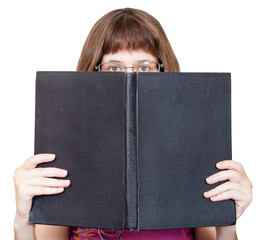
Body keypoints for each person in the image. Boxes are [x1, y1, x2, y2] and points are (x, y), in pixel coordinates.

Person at [14, 8, 253, 240]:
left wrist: (227, 224)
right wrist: (23, 218)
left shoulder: (191, 147)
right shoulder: (67, 149)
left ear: (164, 70)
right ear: (92, 72)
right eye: (114, 68)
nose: (129, 77)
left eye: (144, 67)